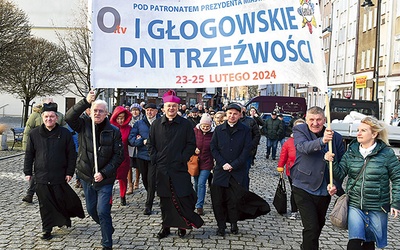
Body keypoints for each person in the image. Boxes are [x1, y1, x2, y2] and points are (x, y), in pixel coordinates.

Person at [324, 116, 400, 250]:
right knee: (354, 241)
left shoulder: (386, 154)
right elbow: (340, 173)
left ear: (374, 134)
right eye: (358, 130)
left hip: (377, 206)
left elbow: (397, 178)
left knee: (369, 243)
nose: (358, 133)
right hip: (355, 204)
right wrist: (331, 162)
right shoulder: (351, 152)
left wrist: (396, 203)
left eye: (363, 130)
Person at [65, 91, 124, 250]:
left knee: (103, 210)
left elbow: (118, 156)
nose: (97, 113)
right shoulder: (83, 125)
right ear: (89, 111)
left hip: (105, 178)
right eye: (95, 110)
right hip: (86, 176)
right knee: (92, 210)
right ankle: (108, 228)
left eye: (101, 111)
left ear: (107, 113)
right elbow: (68, 117)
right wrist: (85, 101)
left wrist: (103, 173)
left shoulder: (114, 131)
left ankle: (107, 244)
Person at [147, 90, 204, 239]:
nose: (171, 108)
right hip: (162, 169)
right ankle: (165, 227)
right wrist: (156, 158)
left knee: (182, 197)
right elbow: (151, 145)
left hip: (179, 169)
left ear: (178, 107)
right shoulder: (156, 125)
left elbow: (191, 144)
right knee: (165, 200)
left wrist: (181, 158)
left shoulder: (185, 124)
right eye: (168, 106)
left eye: (174, 106)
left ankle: (182, 226)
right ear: (163, 108)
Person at [23, 102, 84, 240]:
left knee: (60, 200)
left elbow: (71, 154)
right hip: (41, 175)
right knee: (44, 204)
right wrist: (27, 172)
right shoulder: (34, 134)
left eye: (51, 116)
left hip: (59, 174)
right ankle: (46, 228)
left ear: (56, 118)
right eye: (46, 117)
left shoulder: (65, 133)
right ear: (42, 117)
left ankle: (63, 218)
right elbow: (29, 154)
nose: (48, 119)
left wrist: (70, 172)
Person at [210, 103, 270, 236]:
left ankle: (233, 223)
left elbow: (246, 150)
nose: (232, 116)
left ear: (239, 115)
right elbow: (213, 148)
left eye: (235, 114)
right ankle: (221, 226)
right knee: (219, 200)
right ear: (226, 114)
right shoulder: (219, 130)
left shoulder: (245, 130)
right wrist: (223, 163)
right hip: (221, 170)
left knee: (234, 200)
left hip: (237, 171)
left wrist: (234, 164)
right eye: (230, 113)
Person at [291, 106, 345, 250]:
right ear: (306, 120)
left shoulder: (337, 138)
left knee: (318, 225)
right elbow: (303, 147)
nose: (315, 123)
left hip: (324, 188)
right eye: (312, 120)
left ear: (324, 120)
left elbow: (341, 165)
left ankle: (306, 246)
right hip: (303, 185)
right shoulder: (300, 130)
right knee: (312, 226)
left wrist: (335, 184)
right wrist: (322, 141)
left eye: (319, 120)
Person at [22, 98, 67, 203]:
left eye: (50, 102)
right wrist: (26, 145)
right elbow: (28, 129)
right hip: (37, 146)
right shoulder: (35, 115)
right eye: (46, 103)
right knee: (36, 171)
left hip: (54, 146)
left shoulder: (58, 115)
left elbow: (64, 128)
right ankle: (30, 193)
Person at [128, 103, 159, 215]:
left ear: (156, 111)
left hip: (155, 156)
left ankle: (148, 204)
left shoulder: (160, 122)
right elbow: (131, 139)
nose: (149, 112)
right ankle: (151, 192)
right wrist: (141, 141)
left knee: (151, 180)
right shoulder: (139, 123)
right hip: (141, 155)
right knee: (145, 179)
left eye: (152, 110)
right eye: (148, 110)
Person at [277, 118, 305, 220]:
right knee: (295, 191)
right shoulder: (289, 142)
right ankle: (294, 210)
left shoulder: (310, 140)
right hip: (292, 171)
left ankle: (304, 210)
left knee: (305, 192)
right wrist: (281, 167)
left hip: (307, 171)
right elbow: (283, 156)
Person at [110, 105, 133, 206]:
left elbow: (131, 141)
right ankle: (109, 201)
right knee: (109, 180)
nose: (120, 120)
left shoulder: (128, 128)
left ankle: (122, 196)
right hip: (111, 157)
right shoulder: (109, 128)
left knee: (123, 178)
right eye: (118, 118)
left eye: (122, 118)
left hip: (124, 157)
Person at [193, 113, 214, 216]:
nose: (205, 128)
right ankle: (197, 199)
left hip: (207, 162)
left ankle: (199, 206)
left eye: (207, 126)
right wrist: (193, 149)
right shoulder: (194, 132)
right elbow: (188, 143)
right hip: (195, 162)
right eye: (203, 126)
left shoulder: (214, 134)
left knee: (202, 183)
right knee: (196, 183)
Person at [239, 104, 261, 190]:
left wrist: (251, 146)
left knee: (245, 173)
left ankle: (245, 192)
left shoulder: (250, 121)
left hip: (247, 153)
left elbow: (257, 135)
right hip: (234, 152)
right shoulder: (233, 121)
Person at [127, 103, 143, 194]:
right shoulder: (128, 120)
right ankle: (130, 184)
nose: (135, 112)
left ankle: (137, 181)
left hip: (139, 145)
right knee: (129, 165)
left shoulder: (142, 120)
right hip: (130, 145)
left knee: (138, 166)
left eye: (136, 110)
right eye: (133, 110)